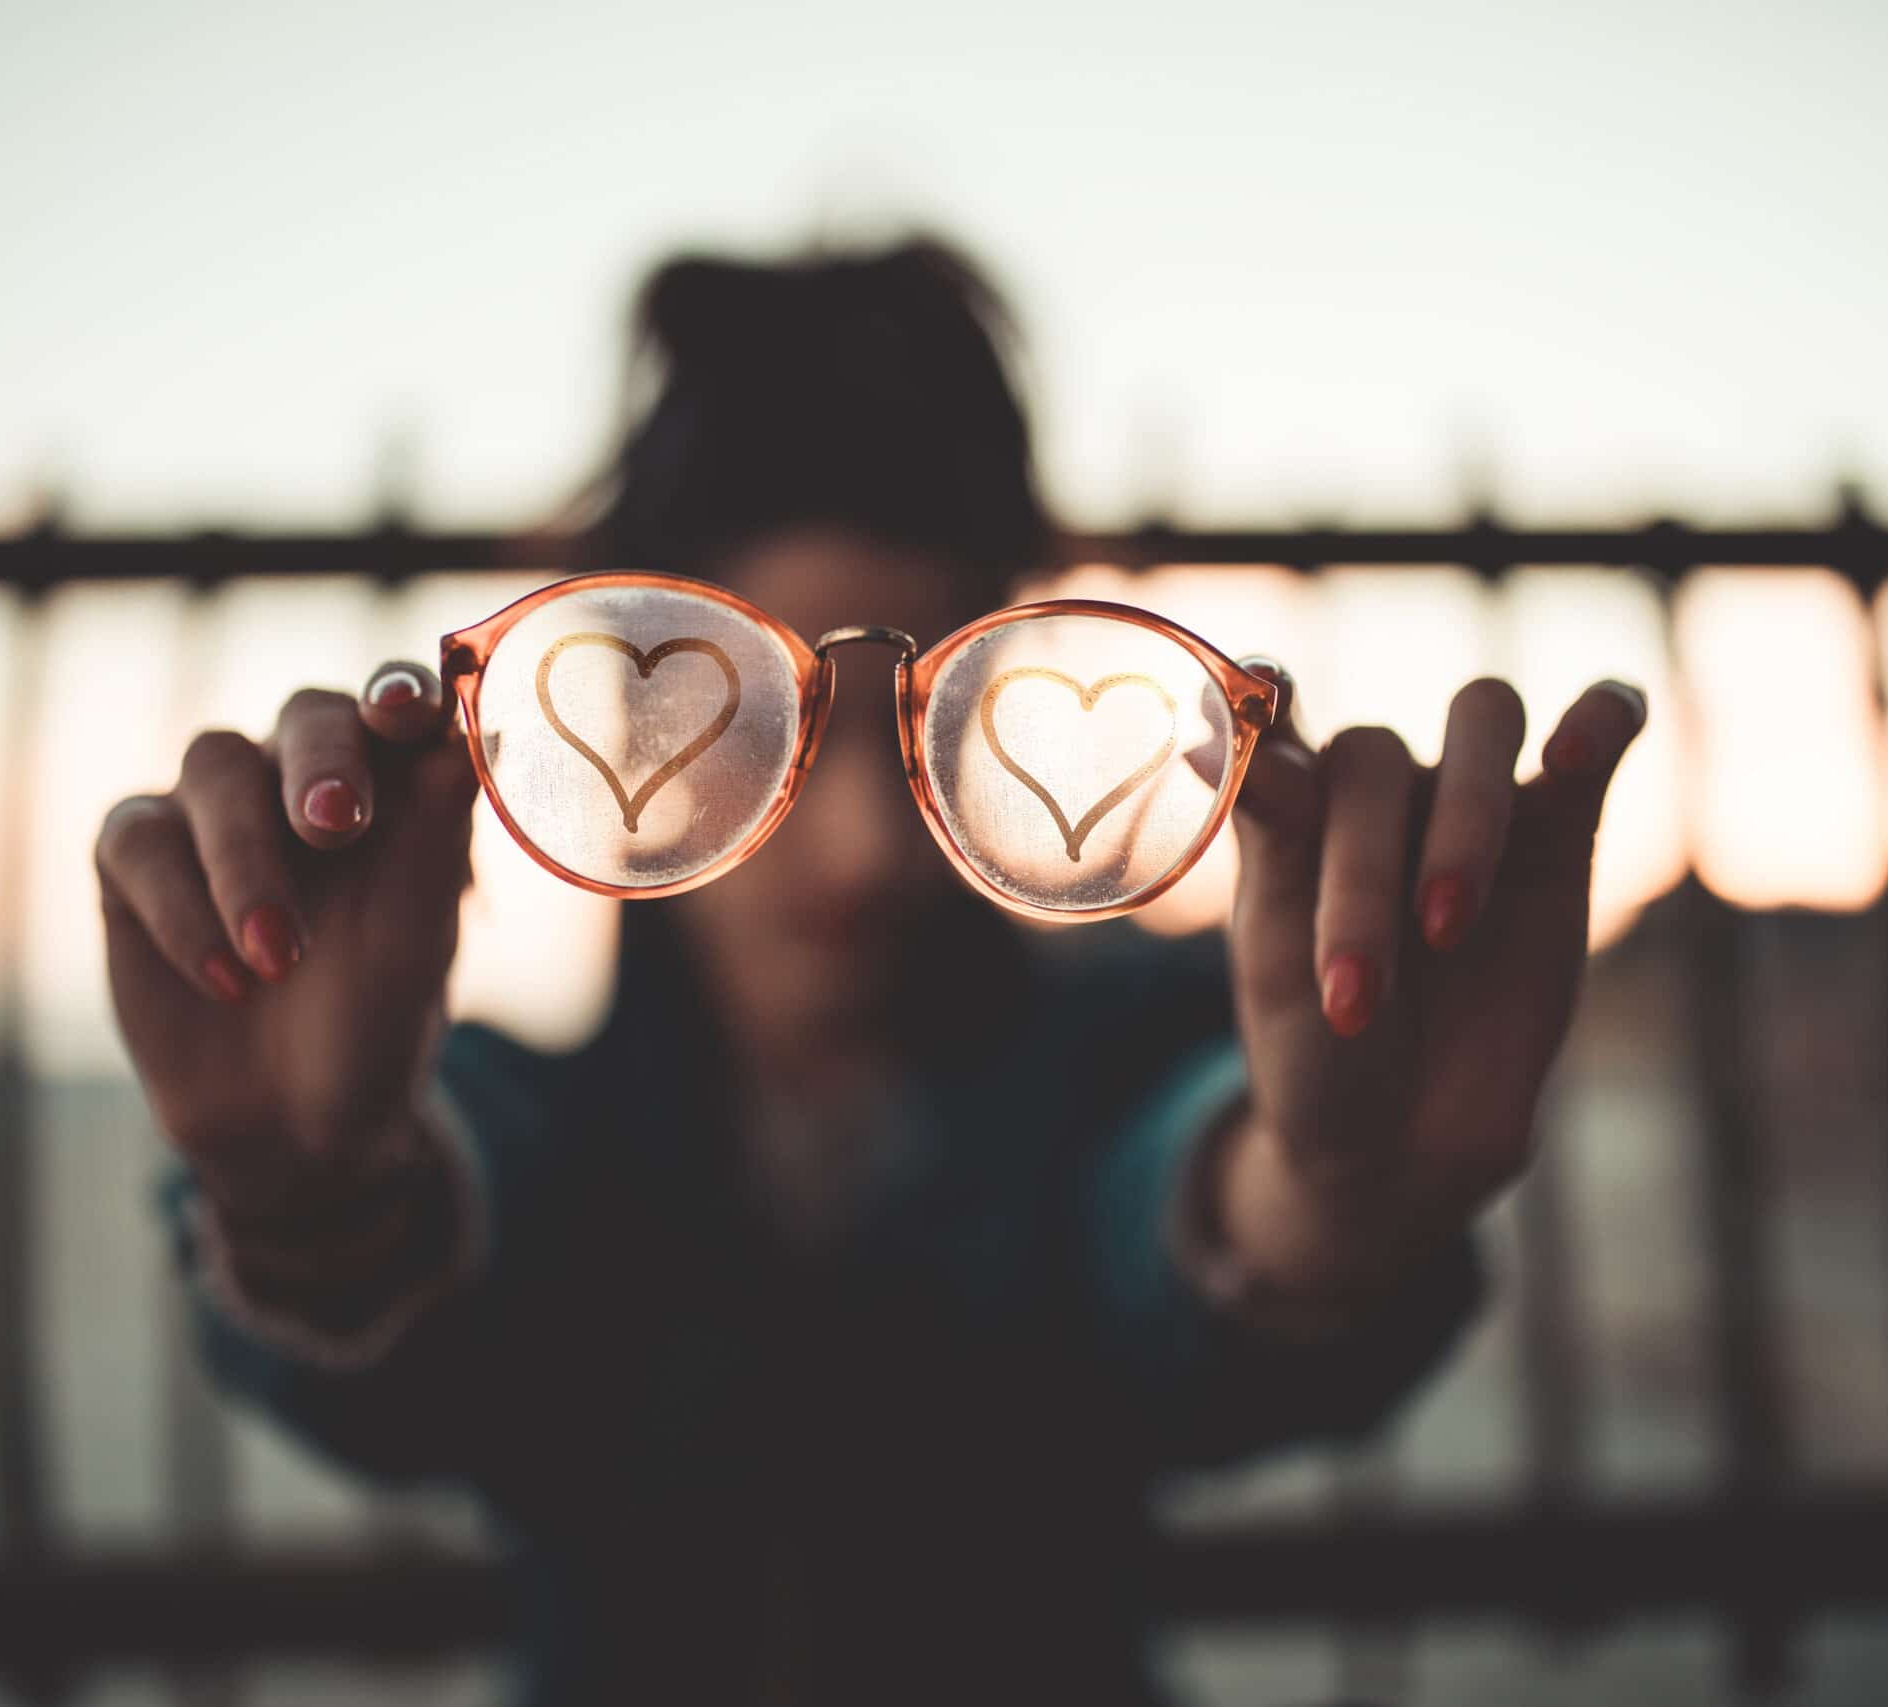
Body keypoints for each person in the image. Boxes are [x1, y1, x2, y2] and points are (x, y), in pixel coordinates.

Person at [95, 237, 1646, 1705]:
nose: (857, 848)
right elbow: (458, 1300)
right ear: (624, 727)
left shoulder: (1121, 1057)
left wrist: (1324, 1202)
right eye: (761, 718)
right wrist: (313, 1206)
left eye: (931, 707)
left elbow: (1175, 1210)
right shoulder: (535, 1125)